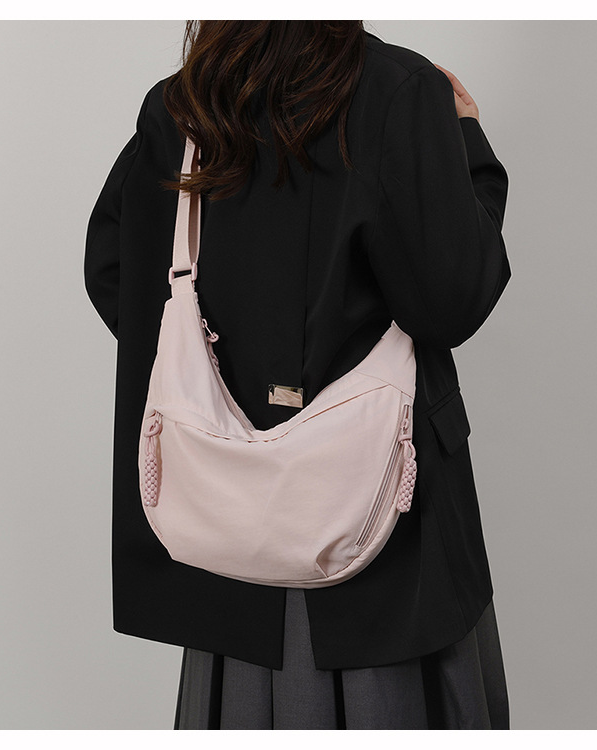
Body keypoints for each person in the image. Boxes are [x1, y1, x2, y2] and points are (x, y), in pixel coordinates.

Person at [84, 21, 512, 730]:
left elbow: (114, 273)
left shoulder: (185, 104)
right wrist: (468, 146)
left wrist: (216, 377)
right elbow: (450, 299)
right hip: (388, 544)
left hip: (226, 540)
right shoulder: (399, 90)